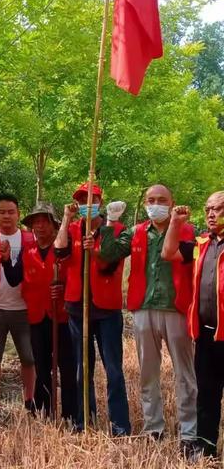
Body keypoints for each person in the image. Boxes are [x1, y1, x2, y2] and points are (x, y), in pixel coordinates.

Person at [99, 184, 197, 450]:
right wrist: (111, 222)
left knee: (185, 374)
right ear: (144, 203)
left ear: (172, 201)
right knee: (148, 374)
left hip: (176, 309)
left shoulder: (190, 232)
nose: (156, 204)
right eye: (151, 200)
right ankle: (154, 428)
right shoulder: (136, 232)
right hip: (143, 308)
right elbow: (107, 254)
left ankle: (189, 432)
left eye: (162, 200)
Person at [54, 182, 131, 435]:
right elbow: (59, 250)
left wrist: (95, 251)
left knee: (113, 369)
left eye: (92, 198)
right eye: (82, 199)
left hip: (106, 310)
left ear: (100, 200)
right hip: (77, 308)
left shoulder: (118, 229)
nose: (88, 203)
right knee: (81, 368)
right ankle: (83, 419)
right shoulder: (74, 229)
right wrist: (66, 218)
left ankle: (119, 424)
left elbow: (109, 262)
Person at [161, 191, 224, 458]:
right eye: (208, 209)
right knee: (207, 396)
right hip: (206, 335)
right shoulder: (201, 244)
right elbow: (168, 252)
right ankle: (206, 450)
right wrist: (175, 222)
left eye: (218, 209)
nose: (211, 214)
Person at [3, 202, 77, 421]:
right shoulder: (28, 251)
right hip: (36, 317)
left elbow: (75, 276)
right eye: (36, 223)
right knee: (41, 367)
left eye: (44, 222)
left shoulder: (63, 248)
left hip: (62, 317)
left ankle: (71, 415)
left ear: (53, 225)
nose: (40, 226)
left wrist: (63, 288)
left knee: (67, 366)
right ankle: (43, 413)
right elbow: (15, 278)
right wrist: (6, 261)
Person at [0, 193, 36, 416]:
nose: (6, 216)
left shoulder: (29, 239)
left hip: (24, 307)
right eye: (2, 212)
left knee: (29, 356)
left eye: (11, 212)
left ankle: (30, 399)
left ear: (18, 214)